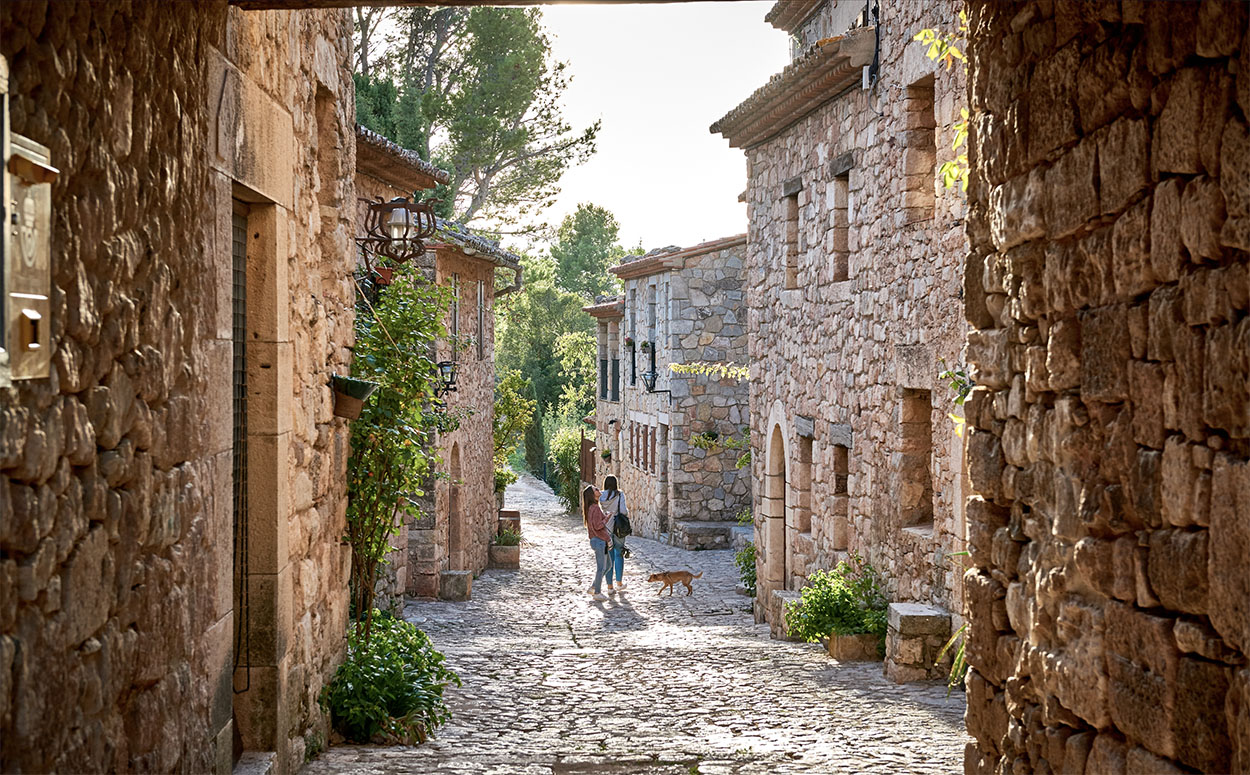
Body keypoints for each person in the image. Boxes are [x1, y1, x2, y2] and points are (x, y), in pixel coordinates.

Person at [582, 485, 611, 601]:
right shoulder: (594, 508)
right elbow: (598, 526)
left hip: (600, 540)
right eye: (596, 490)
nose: (598, 490)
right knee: (601, 568)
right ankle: (597, 592)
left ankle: (594, 586)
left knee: (608, 566)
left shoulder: (593, 508)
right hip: (598, 540)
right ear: (592, 495)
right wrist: (607, 517)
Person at [599, 476, 629, 591]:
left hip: (605, 529)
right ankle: (619, 583)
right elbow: (623, 511)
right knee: (619, 554)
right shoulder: (620, 494)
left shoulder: (601, 496)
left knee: (608, 557)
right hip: (618, 528)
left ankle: (609, 586)